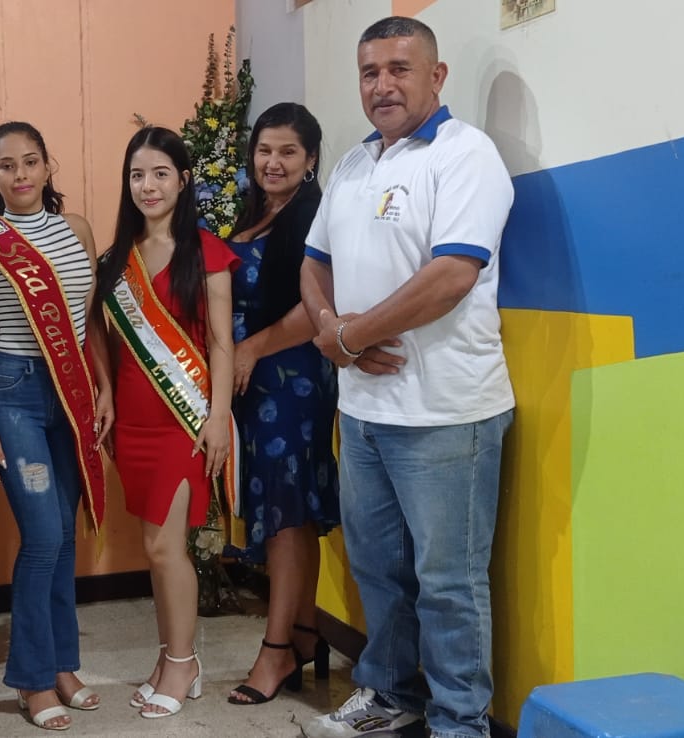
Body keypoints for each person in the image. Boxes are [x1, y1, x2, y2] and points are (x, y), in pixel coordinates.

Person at [299, 17, 515, 738]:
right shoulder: (354, 164)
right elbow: (314, 264)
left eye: (399, 69)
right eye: (370, 72)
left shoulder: (466, 154)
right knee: (379, 572)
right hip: (364, 411)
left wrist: (350, 337)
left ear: (436, 76)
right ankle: (391, 695)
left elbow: (453, 274)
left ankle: (460, 723)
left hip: (447, 414)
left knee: (449, 584)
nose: (382, 85)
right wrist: (331, 331)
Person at [0, 122, 113, 731]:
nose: (20, 174)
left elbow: (90, 319)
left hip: (71, 392)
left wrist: (103, 386)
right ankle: (30, 677)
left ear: (48, 166)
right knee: (44, 536)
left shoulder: (78, 230)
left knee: (66, 537)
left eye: (30, 161)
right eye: (6, 165)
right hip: (14, 393)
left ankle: (62, 665)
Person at [92, 126, 238, 720]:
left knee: (165, 547)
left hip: (185, 420)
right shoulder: (116, 259)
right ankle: (168, 656)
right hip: (133, 424)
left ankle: (183, 662)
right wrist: (105, 393)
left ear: (183, 179)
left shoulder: (207, 252)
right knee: (154, 550)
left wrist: (219, 416)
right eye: (136, 175)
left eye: (159, 173)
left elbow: (222, 343)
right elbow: (102, 339)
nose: (147, 186)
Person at [221, 102, 338, 706]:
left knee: (286, 513)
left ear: (310, 159)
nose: (273, 162)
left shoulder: (316, 216)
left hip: (291, 379)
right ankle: (306, 632)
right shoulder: (256, 213)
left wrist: (251, 348)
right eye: (264, 150)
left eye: (288, 151)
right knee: (289, 510)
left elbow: (318, 307)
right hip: (254, 381)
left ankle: (275, 652)